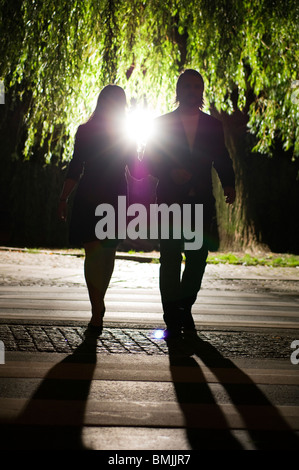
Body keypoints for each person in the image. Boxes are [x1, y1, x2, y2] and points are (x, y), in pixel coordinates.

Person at [143, 69, 236, 348]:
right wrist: (170, 172)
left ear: (202, 91)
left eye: (197, 87)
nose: (193, 91)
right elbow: (148, 160)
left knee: (197, 259)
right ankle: (173, 315)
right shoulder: (162, 124)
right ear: (179, 90)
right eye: (187, 86)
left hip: (200, 202)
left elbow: (221, 158)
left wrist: (229, 184)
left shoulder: (213, 125)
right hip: (171, 200)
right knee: (170, 258)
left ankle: (184, 306)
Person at [58, 85, 135, 335]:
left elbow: (135, 168)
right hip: (96, 196)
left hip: (110, 196)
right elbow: (76, 166)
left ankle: (97, 303)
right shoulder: (87, 131)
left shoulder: (122, 133)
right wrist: (64, 197)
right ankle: (96, 311)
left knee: (106, 253)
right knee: (94, 252)